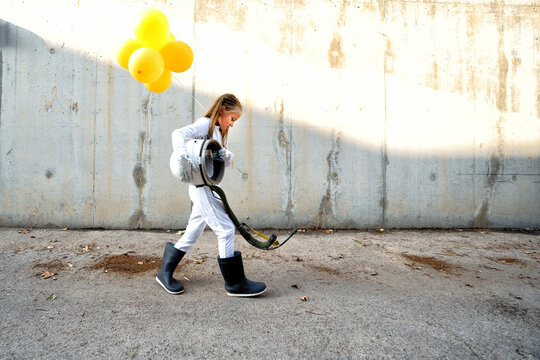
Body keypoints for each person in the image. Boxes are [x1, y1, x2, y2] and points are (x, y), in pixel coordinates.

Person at [156, 93, 266, 297]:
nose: (232, 124)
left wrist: (226, 154)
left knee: (193, 232)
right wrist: (181, 154)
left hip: (206, 188)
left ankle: (164, 273)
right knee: (225, 229)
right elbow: (177, 133)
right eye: (232, 119)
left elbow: (218, 159)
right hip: (201, 189)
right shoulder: (204, 123)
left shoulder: (216, 131)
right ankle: (234, 284)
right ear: (223, 110)